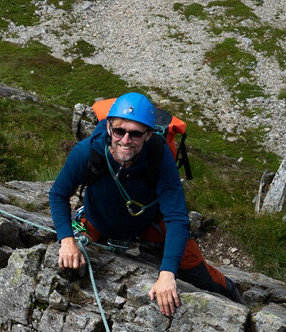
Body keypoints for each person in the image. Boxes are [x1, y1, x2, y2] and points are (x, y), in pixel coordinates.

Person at [48, 92, 241, 317]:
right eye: (119, 131)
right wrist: (67, 240)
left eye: (135, 134)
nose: (126, 140)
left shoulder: (159, 157)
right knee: (68, 266)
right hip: (98, 219)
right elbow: (58, 194)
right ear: (109, 127)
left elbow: (177, 217)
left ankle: (233, 291)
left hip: (149, 222)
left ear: (148, 135)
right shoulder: (87, 151)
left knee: (200, 274)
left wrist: (168, 273)